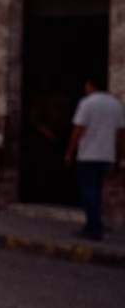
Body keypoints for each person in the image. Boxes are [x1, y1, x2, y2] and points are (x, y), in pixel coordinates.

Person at [64, 75, 125, 240]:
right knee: (96, 191)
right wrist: (119, 158)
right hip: (107, 156)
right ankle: (94, 223)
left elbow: (78, 130)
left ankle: (94, 228)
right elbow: (121, 134)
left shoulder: (87, 103)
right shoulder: (116, 105)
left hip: (88, 155)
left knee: (88, 191)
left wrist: (70, 152)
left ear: (90, 85)